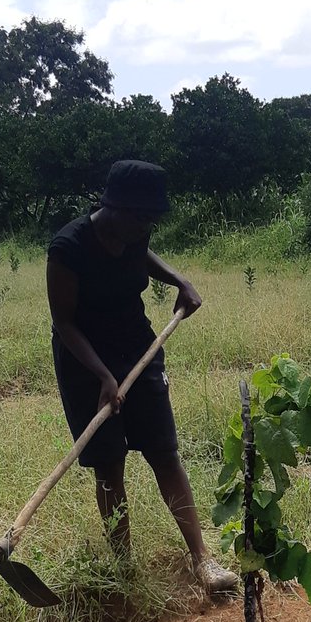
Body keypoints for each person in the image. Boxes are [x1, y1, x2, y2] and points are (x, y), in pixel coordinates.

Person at [46, 159, 237, 595]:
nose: (147, 227)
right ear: (113, 208)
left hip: (138, 349)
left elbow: (141, 255)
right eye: (141, 218)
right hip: (84, 361)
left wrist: (180, 281)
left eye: (152, 219)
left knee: (164, 452)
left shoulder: (134, 231)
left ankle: (203, 559)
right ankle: (125, 571)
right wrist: (103, 377)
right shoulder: (68, 248)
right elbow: (64, 323)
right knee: (109, 465)